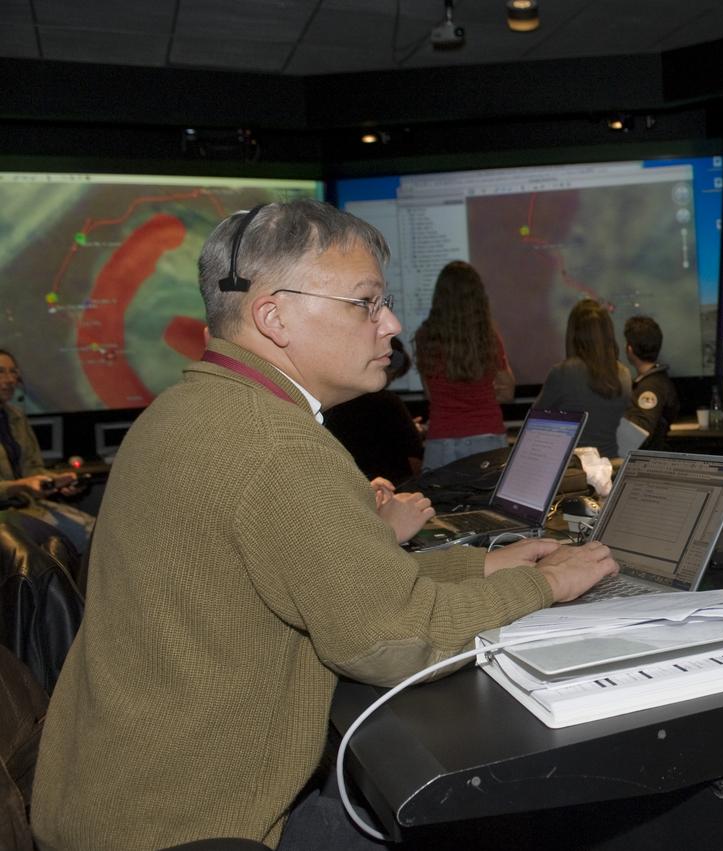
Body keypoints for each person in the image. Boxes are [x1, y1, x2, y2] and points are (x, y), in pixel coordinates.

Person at [30, 200, 617, 851]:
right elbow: (391, 637)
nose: (390, 324)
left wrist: (481, 563)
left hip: (109, 803)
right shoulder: (277, 445)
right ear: (273, 316)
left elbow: (328, 574)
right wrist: (546, 587)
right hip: (188, 827)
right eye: (365, 303)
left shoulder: (190, 409)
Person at [413, 260, 515, 469]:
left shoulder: (425, 338)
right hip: (488, 439)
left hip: (441, 442)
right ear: (478, 298)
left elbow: (430, 394)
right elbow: (509, 391)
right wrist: (482, 393)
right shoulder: (488, 338)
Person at [0, 348, 95, 556]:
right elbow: (23, 483)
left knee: (94, 530)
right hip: (6, 515)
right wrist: (20, 486)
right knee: (75, 540)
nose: (9, 380)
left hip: (29, 505)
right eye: (1, 372)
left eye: (13, 372)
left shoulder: (15, 417)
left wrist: (56, 482)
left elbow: (33, 469)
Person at [534, 299, 631, 457]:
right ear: (608, 332)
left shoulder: (562, 373)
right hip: (611, 468)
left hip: (573, 471)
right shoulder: (624, 374)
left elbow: (535, 423)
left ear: (573, 333)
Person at [324, 336, 424, 484]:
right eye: (393, 376)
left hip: (352, 486)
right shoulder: (389, 402)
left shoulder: (332, 401)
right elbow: (414, 459)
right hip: (394, 486)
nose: (389, 382)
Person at [617, 315, 681, 455]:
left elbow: (639, 436)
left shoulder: (651, 387)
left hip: (644, 462)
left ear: (629, 349)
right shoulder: (655, 381)